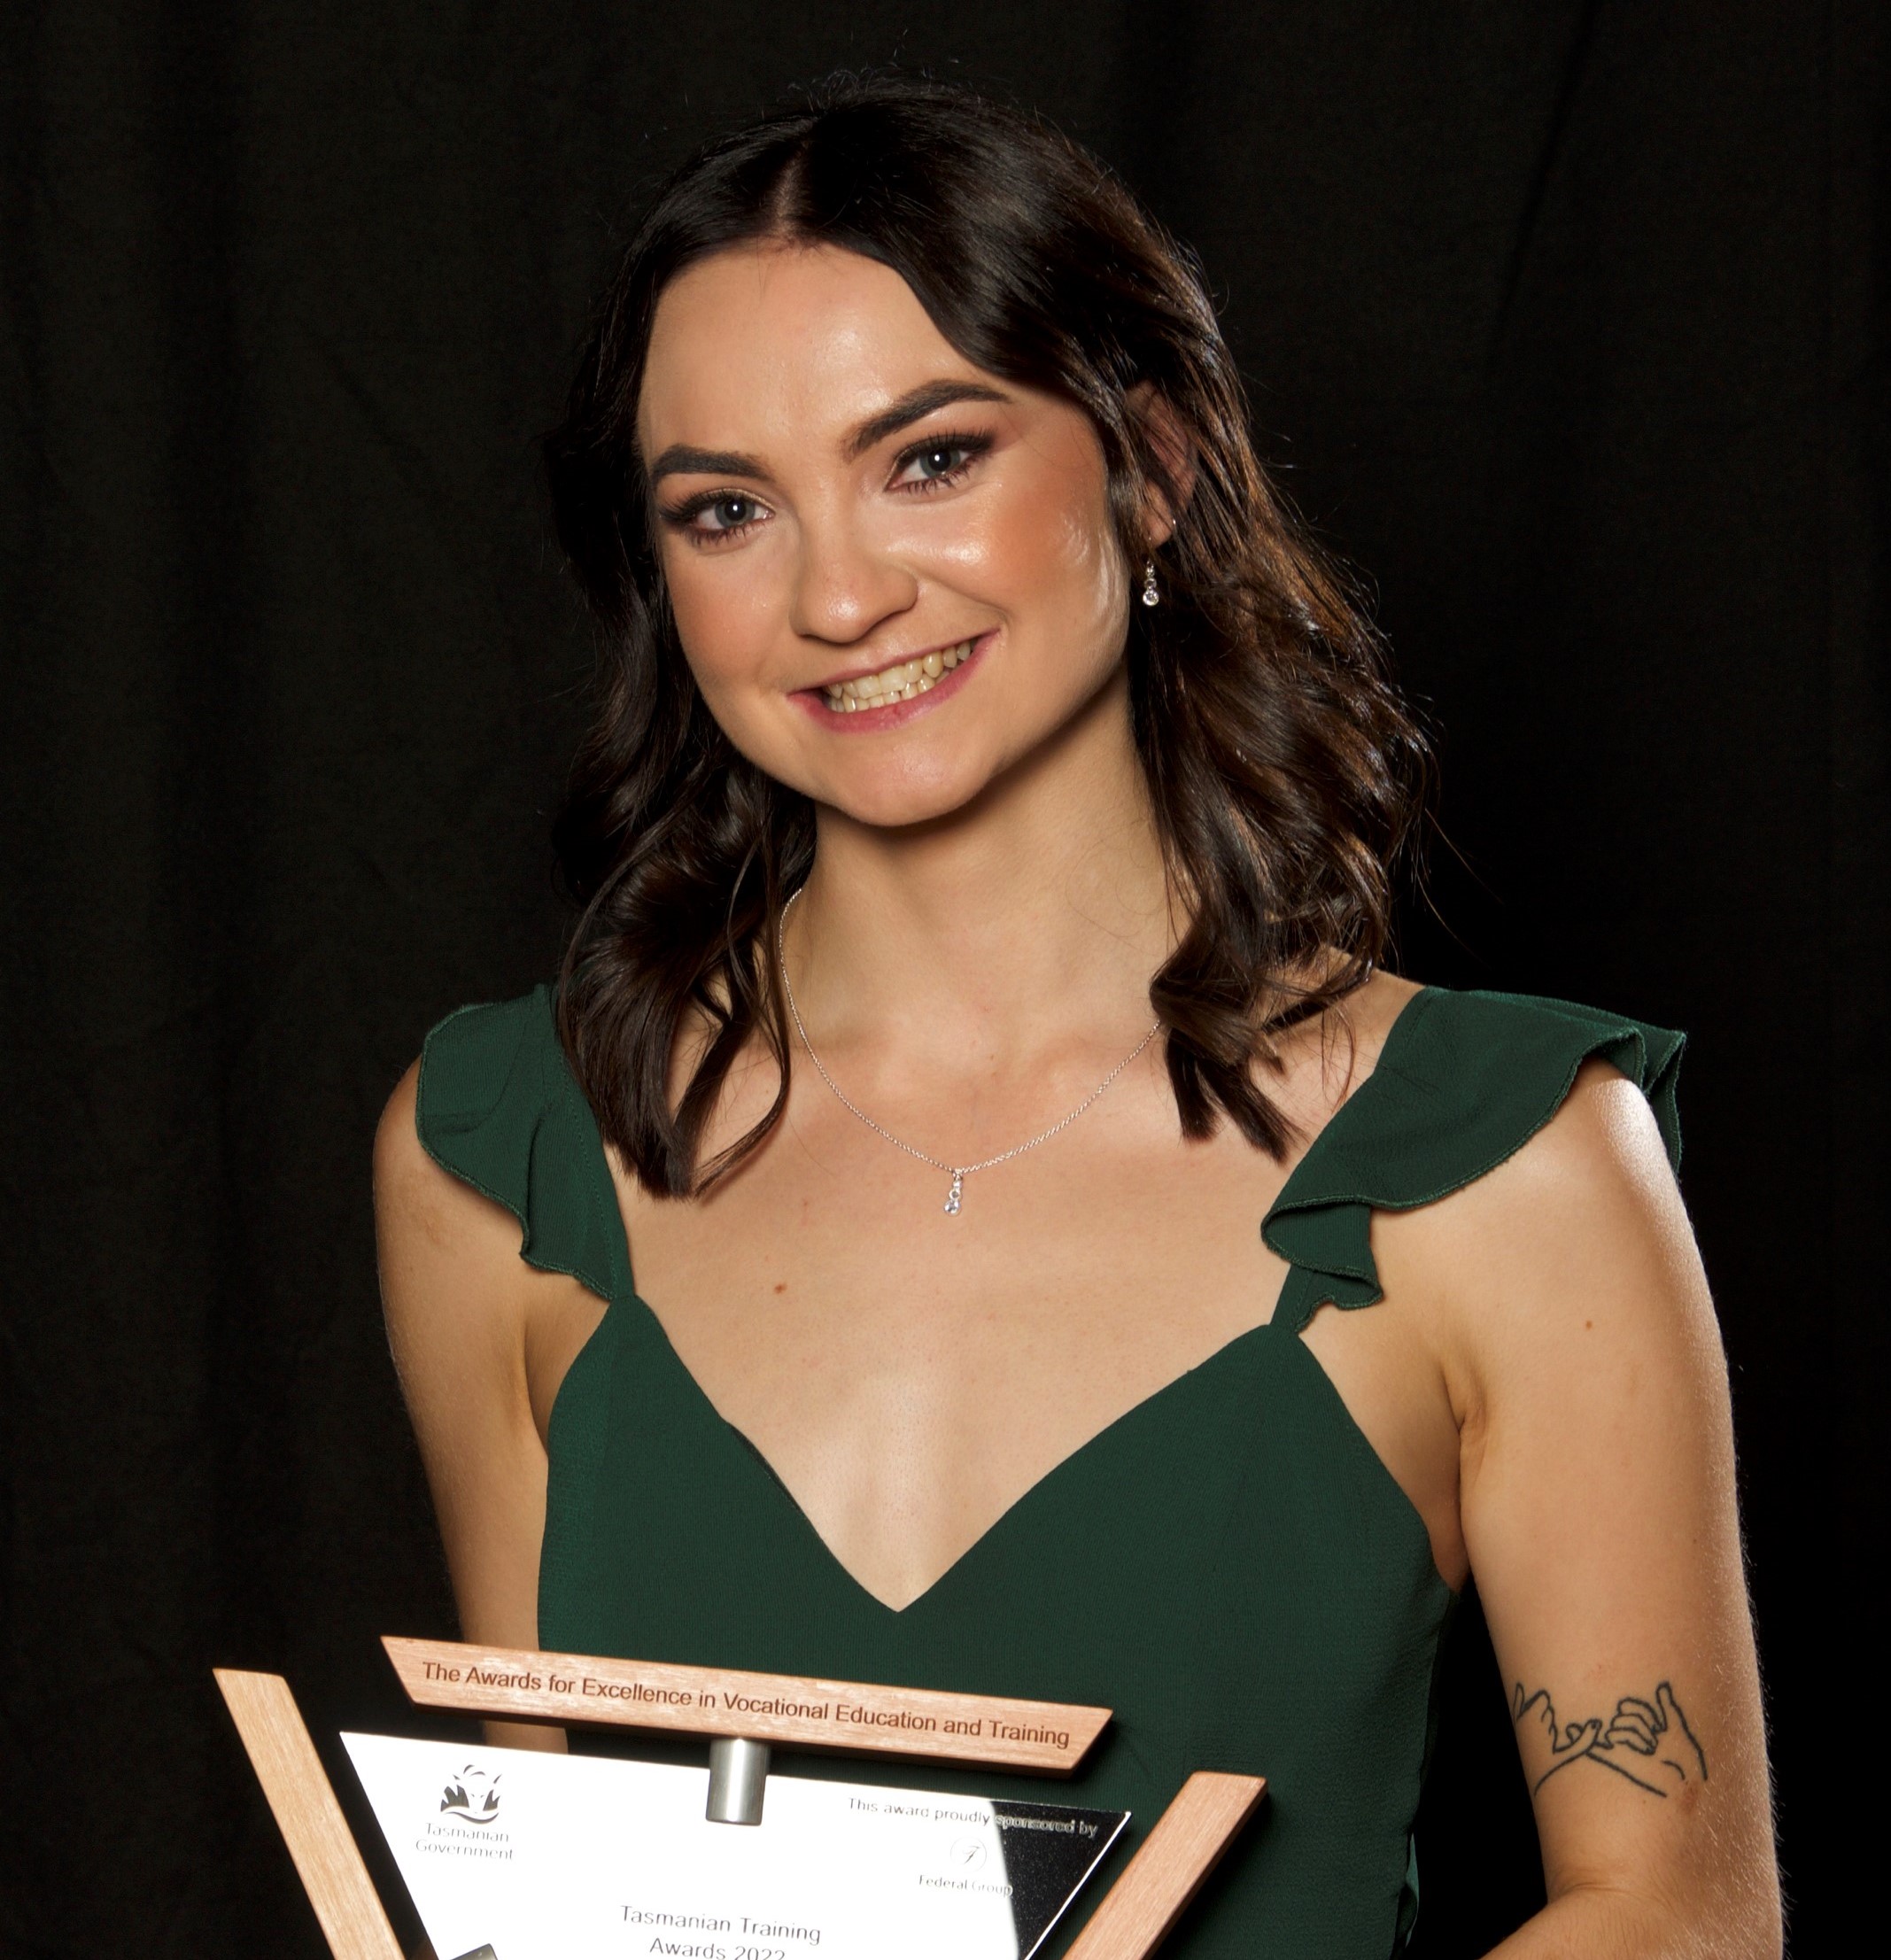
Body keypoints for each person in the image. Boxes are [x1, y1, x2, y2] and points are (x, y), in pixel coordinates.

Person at [373, 76, 1779, 1959]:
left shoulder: (1502, 1159)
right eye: (726, 510)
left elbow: (1675, 1919)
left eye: (930, 458)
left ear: (1158, 466)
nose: (842, 593)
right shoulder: (506, 1152)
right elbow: (531, 1898)